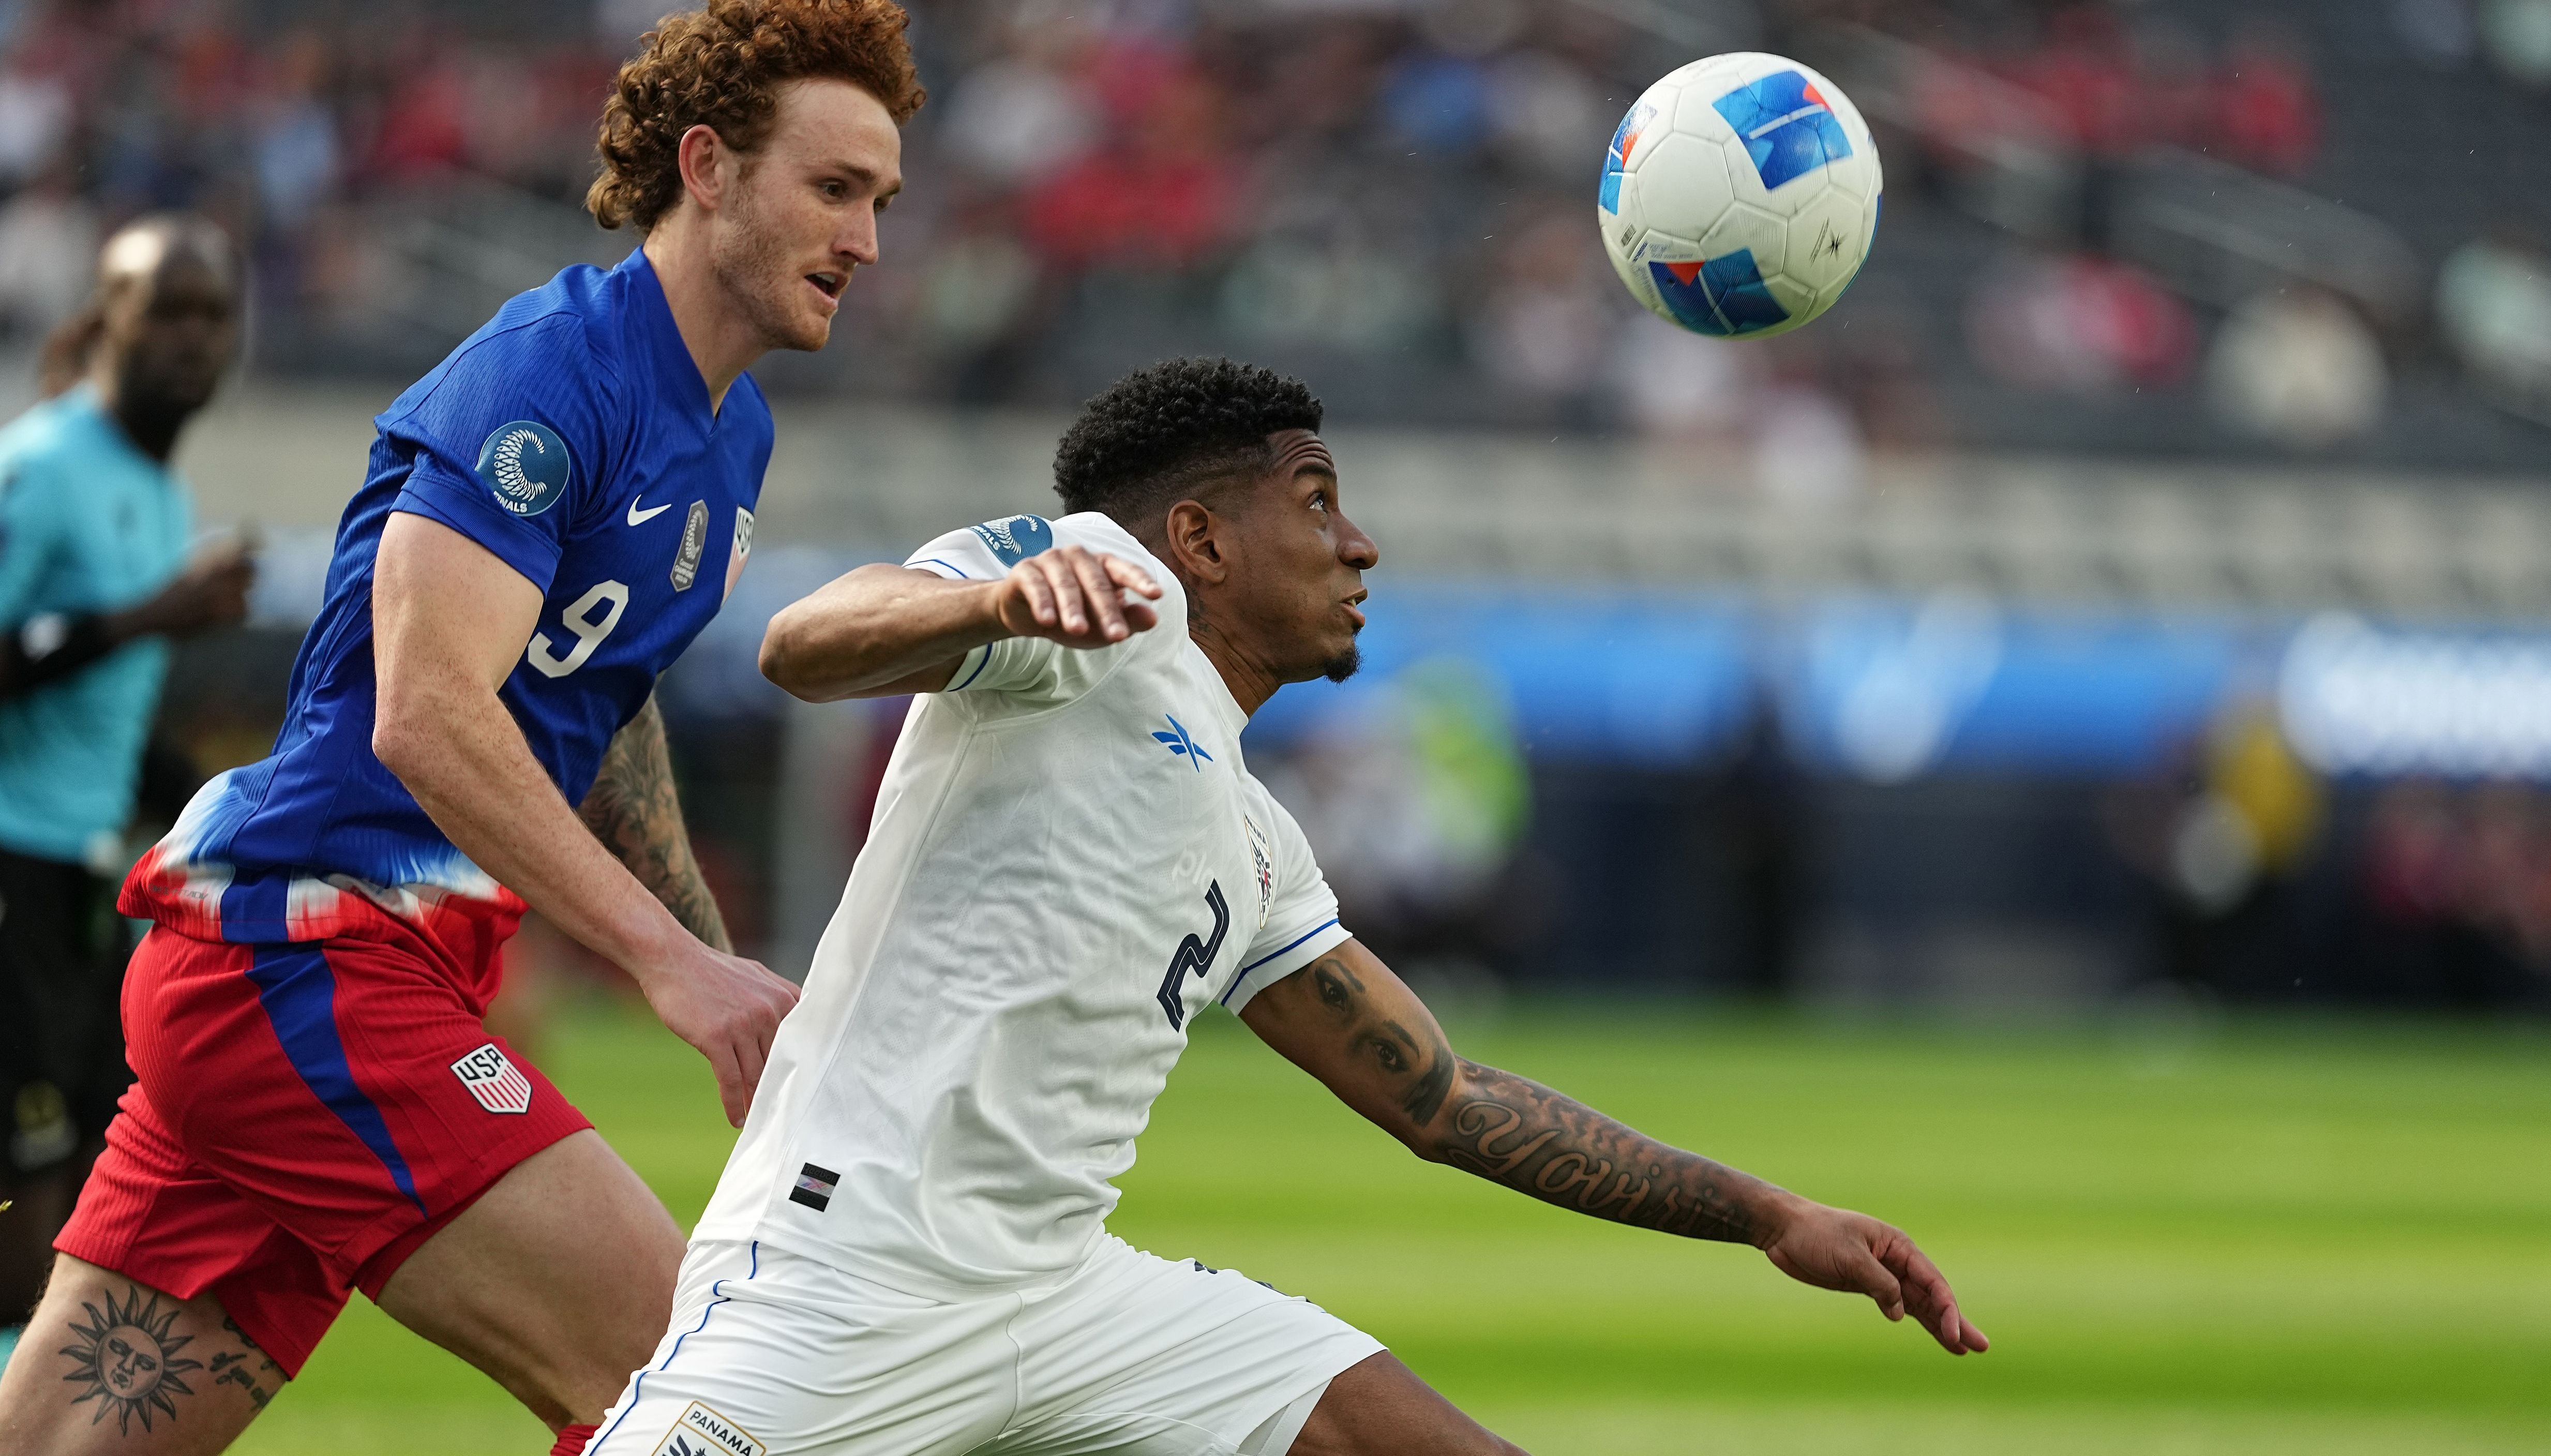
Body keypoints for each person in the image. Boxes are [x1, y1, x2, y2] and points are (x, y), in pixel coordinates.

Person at [591, 358, 1986, 1456]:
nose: (1361, 544)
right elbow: (802, 641)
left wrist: (1766, 1214)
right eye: (1317, 501)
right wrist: (1001, 602)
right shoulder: (1094, 599)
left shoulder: (1254, 841)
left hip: (1059, 1290)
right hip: (853, 1268)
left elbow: (1446, 1100)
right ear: (1195, 537)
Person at [0, 4, 925, 1453]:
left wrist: (716, 967)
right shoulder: (547, 375)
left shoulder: (730, 431)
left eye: (879, 200)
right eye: (832, 188)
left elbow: (597, 708)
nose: (866, 238)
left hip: (310, 979)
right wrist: (669, 964)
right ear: (707, 168)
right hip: (304, 963)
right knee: (689, 1391)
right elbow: (429, 716)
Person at [0, 216, 255, 1358]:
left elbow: (107, 718)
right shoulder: (43, 467)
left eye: (215, 318)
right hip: (12, 863)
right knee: (28, 1188)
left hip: (85, 880)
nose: (194, 343)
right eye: (171, 314)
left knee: (101, 1168)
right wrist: (156, 613)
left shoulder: (155, 494)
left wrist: (229, 808)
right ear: (109, 322)